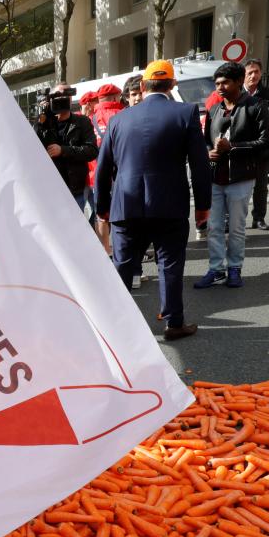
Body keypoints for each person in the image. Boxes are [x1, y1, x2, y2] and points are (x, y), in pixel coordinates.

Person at [95, 60, 212, 341]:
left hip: (126, 204)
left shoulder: (118, 119)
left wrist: (102, 209)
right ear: (172, 85)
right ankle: (173, 322)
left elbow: (102, 168)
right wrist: (203, 208)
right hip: (169, 204)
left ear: (144, 86)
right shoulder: (186, 113)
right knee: (169, 264)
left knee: (122, 265)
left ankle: (113, 325)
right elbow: (199, 165)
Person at [194, 62, 269, 290]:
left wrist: (234, 147)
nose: (220, 87)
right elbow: (207, 139)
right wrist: (208, 151)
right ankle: (216, 269)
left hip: (241, 176)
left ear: (239, 82)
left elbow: (266, 143)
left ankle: (235, 269)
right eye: (217, 83)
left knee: (237, 227)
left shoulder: (256, 106)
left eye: (225, 82)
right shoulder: (214, 109)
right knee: (214, 227)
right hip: (215, 177)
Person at [35, 83, 98, 214]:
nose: (62, 99)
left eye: (66, 95)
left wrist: (63, 150)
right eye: (57, 96)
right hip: (50, 190)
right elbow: (32, 149)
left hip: (75, 191)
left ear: (71, 98)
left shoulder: (82, 121)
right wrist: (40, 121)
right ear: (50, 99)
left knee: (76, 231)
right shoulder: (44, 123)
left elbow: (91, 151)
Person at [243, 59, 269, 231]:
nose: (253, 75)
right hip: (241, 146)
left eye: (256, 71)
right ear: (243, 75)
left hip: (262, 146)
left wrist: (249, 116)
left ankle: (258, 218)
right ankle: (235, 219)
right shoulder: (237, 93)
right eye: (250, 72)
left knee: (261, 186)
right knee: (239, 185)